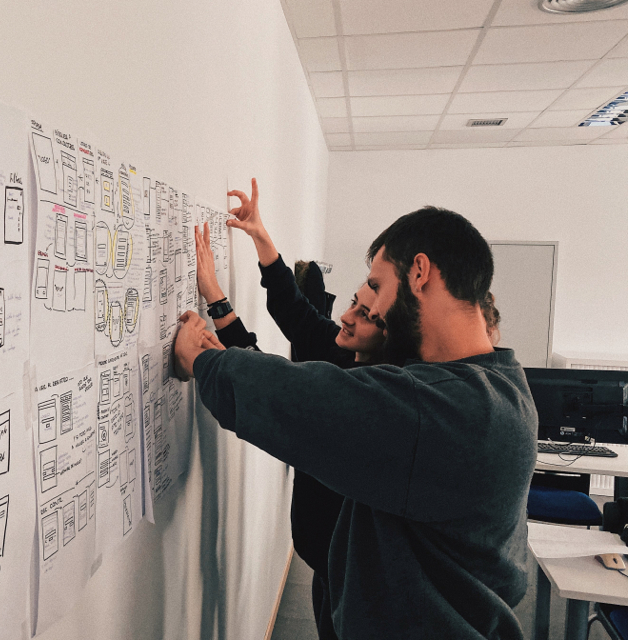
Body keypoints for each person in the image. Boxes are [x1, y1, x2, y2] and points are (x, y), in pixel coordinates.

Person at [176, 180, 537, 640]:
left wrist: (202, 360)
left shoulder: (450, 408)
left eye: (376, 287)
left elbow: (302, 400)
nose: (368, 311)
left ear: (419, 272)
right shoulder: (499, 385)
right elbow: (300, 352)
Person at [194, 220, 394, 640]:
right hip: (327, 558)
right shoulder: (345, 347)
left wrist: (205, 358)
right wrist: (260, 239)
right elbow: (294, 311)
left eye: (363, 312)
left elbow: (266, 384)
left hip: (351, 572)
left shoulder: (359, 400)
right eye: (355, 301)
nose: (346, 314)